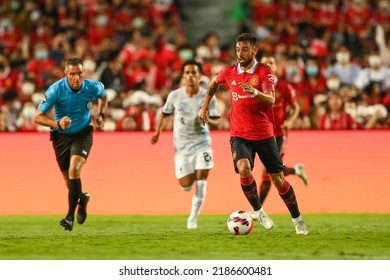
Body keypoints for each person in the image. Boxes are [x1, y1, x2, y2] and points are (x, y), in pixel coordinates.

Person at [198, 33, 308, 235]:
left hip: (264, 133)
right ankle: (259, 211)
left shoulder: (265, 71)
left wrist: (255, 91)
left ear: (254, 50)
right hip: (239, 134)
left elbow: (271, 100)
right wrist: (204, 108)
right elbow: (213, 85)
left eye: (245, 49)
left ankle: (298, 220)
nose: (240, 53)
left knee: (278, 180)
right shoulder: (228, 71)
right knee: (243, 168)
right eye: (238, 49)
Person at [34, 57, 108, 231]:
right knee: (70, 184)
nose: (76, 78)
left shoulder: (92, 86)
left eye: (79, 73)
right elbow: (37, 116)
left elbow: (104, 96)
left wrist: (101, 114)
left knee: (75, 169)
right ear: (66, 74)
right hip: (60, 137)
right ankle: (82, 199)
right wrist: (57, 124)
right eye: (72, 74)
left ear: (84, 73)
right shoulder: (55, 90)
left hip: (83, 133)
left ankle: (69, 217)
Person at [151, 59, 220, 229]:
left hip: (202, 143)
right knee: (187, 186)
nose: (190, 76)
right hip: (182, 148)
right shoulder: (175, 95)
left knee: (202, 178)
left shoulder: (208, 95)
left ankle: (192, 218)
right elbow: (164, 113)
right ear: (183, 76)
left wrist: (205, 118)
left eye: (194, 73)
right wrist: (157, 133)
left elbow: (217, 123)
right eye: (187, 73)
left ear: (199, 75)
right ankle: (189, 187)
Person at [256, 55, 308, 208]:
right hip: (260, 133)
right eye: (264, 63)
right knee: (272, 172)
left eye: (271, 63)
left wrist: (290, 121)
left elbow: (296, 107)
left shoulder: (284, 87)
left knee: (268, 170)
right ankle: (296, 170)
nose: (268, 65)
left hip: (278, 134)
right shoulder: (256, 87)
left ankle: (257, 209)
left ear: (276, 67)